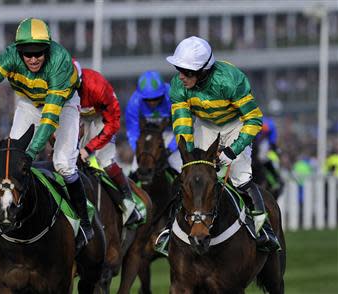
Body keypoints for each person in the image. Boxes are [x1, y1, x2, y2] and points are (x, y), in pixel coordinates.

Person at [0, 18, 93, 247]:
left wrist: (30, 154)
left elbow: (50, 118)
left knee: (63, 165)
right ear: (18, 51)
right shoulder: (11, 54)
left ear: (47, 50)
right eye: (27, 53)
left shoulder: (59, 61)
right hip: (29, 102)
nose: (32, 59)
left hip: (64, 104)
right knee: (9, 160)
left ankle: (84, 222)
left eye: (38, 53)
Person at [155, 36, 280, 253]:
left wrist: (232, 151)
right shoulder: (178, 85)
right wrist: (188, 154)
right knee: (189, 177)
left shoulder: (230, 80)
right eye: (179, 69)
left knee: (241, 179)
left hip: (235, 125)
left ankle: (264, 229)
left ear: (203, 70)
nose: (181, 76)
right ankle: (169, 230)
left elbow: (254, 119)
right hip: (204, 125)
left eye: (187, 72)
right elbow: (183, 123)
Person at [74, 60, 143, 226]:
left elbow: (113, 124)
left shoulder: (98, 87)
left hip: (103, 116)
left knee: (101, 160)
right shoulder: (58, 88)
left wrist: (88, 148)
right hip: (80, 115)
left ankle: (128, 202)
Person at [125, 70, 182, 174]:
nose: (152, 102)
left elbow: (182, 127)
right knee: (134, 169)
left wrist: (170, 149)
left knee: (177, 163)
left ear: (163, 93)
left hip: (171, 133)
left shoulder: (173, 96)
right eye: (147, 99)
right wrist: (139, 150)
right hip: (147, 138)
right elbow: (133, 132)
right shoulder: (134, 102)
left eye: (156, 98)